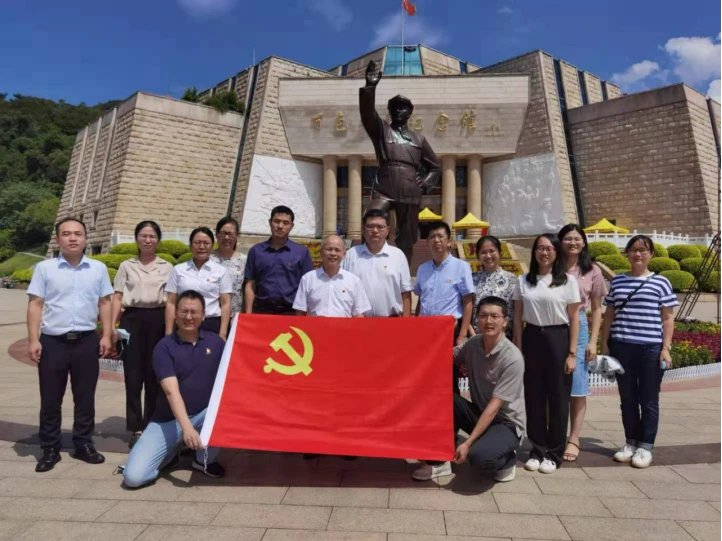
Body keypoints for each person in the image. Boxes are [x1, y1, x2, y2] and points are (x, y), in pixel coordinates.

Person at [26, 217, 113, 472]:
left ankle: (83, 443)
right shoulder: (45, 269)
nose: (72, 238)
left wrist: (106, 335)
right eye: (66, 233)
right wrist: (33, 340)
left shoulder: (98, 269)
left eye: (78, 233)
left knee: (85, 397)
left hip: (86, 341)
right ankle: (50, 448)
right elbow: (35, 304)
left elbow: (105, 303)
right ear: (58, 239)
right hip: (53, 342)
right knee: (50, 398)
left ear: (86, 238)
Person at [412, 297, 525, 482]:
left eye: (495, 316)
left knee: (480, 458)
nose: (489, 321)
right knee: (443, 399)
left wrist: (468, 443)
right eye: (483, 316)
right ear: (476, 320)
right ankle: (440, 461)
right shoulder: (474, 344)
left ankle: (507, 459)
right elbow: (444, 356)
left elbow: (494, 408)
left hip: (505, 423)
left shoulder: (512, 358)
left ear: (505, 321)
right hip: (479, 414)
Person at [122, 290, 226, 488]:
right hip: (168, 420)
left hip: (205, 415)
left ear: (203, 315)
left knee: (226, 411)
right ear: (175, 314)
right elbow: (171, 392)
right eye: (183, 311)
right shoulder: (164, 348)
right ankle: (173, 452)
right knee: (133, 477)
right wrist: (186, 428)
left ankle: (203, 459)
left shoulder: (216, 343)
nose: (188, 317)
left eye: (194, 312)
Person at [601, 235, 678, 469]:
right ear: (627, 253)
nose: (638, 254)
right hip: (622, 346)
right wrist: (605, 345)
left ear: (651, 254)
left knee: (649, 399)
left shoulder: (661, 282)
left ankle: (645, 446)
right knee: (627, 399)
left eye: (643, 250)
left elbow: (668, 318)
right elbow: (609, 315)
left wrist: (665, 348)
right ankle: (630, 442)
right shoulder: (618, 281)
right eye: (633, 250)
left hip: (650, 348)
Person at [359, 60, 441, 263]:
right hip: (385, 185)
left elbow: (435, 167)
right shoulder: (382, 130)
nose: (398, 111)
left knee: (407, 236)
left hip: (409, 188)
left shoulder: (419, 139)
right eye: (394, 107)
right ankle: (367, 262)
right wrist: (370, 87)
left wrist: (426, 183)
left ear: (409, 112)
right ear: (390, 111)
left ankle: (402, 271)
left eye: (403, 108)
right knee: (372, 217)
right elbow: (367, 114)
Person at [513, 234, 580, 474]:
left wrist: (572, 353)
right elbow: (518, 317)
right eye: (540, 248)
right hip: (532, 337)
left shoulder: (567, 281)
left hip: (558, 339)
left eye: (550, 248)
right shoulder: (524, 281)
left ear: (556, 252)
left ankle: (554, 453)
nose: (545, 252)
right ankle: (537, 449)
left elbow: (574, 319)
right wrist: (518, 349)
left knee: (559, 398)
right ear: (534, 252)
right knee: (534, 397)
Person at [111, 220, 173, 449]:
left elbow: (171, 301)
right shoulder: (127, 265)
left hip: (157, 319)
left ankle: (152, 422)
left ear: (158, 239)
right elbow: (117, 297)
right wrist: (112, 328)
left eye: (152, 236)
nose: (148, 240)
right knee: (133, 375)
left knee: (154, 375)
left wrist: (169, 332)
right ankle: (136, 426)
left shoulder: (167, 267)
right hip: (132, 321)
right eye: (143, 235)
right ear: (136, 238)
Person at [558, 224, 606, 463]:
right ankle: (553, 435)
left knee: (577, 387)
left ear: (584, 243)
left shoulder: (592, 270)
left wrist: (593, 342)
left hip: (581, 328)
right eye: (568, 238)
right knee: (553, 385)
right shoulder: (552, 267)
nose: (573, 243)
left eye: (577, 239)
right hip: (554, 328)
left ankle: (573, 438)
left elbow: (597, 309)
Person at [414, 221, 474, 351]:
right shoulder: (422, 269)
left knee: (448, 370)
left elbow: (468, 302)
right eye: (432, 237)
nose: (436, 240)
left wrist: (462, 335)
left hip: (449, 330)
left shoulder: (461, 267)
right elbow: (421, 299)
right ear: (427, 243)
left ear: (449, 242)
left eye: (440, 236)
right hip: (425, 329)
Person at [244, 206, 315, 315]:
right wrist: (248, 314)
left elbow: (308, 286)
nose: (280, 226)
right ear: (270, 222)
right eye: (276, 221)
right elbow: (250, 284)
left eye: (285, 223)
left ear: (292, 226)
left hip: (291, 312)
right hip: (262, 311)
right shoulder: (256, 251)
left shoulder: (301, 252)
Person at [342, 209, 412, 317]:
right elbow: (342, 289)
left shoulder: (398, 256)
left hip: (391, 323)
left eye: (380, 227)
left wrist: (406, 324)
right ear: (363, 229)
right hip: (358, 323)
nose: (375, 230)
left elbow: (405, 293)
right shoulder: (351, 255)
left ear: (387, 230)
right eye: (370, 226)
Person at [165, 227, 231, 339]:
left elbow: (225, 304)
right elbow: (171, 302)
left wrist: (223, 334)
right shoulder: (178, 270)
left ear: (212, 246)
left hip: (211, 323)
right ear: (190, 245)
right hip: (184, 323)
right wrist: (168, 332)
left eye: (206, 243)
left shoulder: (221, 271)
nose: (201, 247)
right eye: (197, 243)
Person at [293, 235, 371, 318]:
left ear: (344, 254)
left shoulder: (354, 281)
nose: (333, 253)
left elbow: (358, 315)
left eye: (337, 250)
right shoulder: (307, 279)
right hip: (316, 329)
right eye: (329, 249)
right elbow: (300, 313)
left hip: (344, 330)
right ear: (321, 252)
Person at [471, 235, 518, 337]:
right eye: (483, 252)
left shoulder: (512, 279)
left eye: (492, 251)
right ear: (478, 256)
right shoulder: (472, 279)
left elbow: (516, 314)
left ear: (500, 253)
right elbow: (467, 308)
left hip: (503, 339)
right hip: (476, 338)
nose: (488, 256)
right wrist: (472, 336)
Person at [211, 216, 247, 319]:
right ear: (217, 234)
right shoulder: (208, 259)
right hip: (212, 315)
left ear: (237, 235)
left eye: (230, 234)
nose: (226, 237)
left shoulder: (245, 260)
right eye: (223, 233)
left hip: (236, 316)